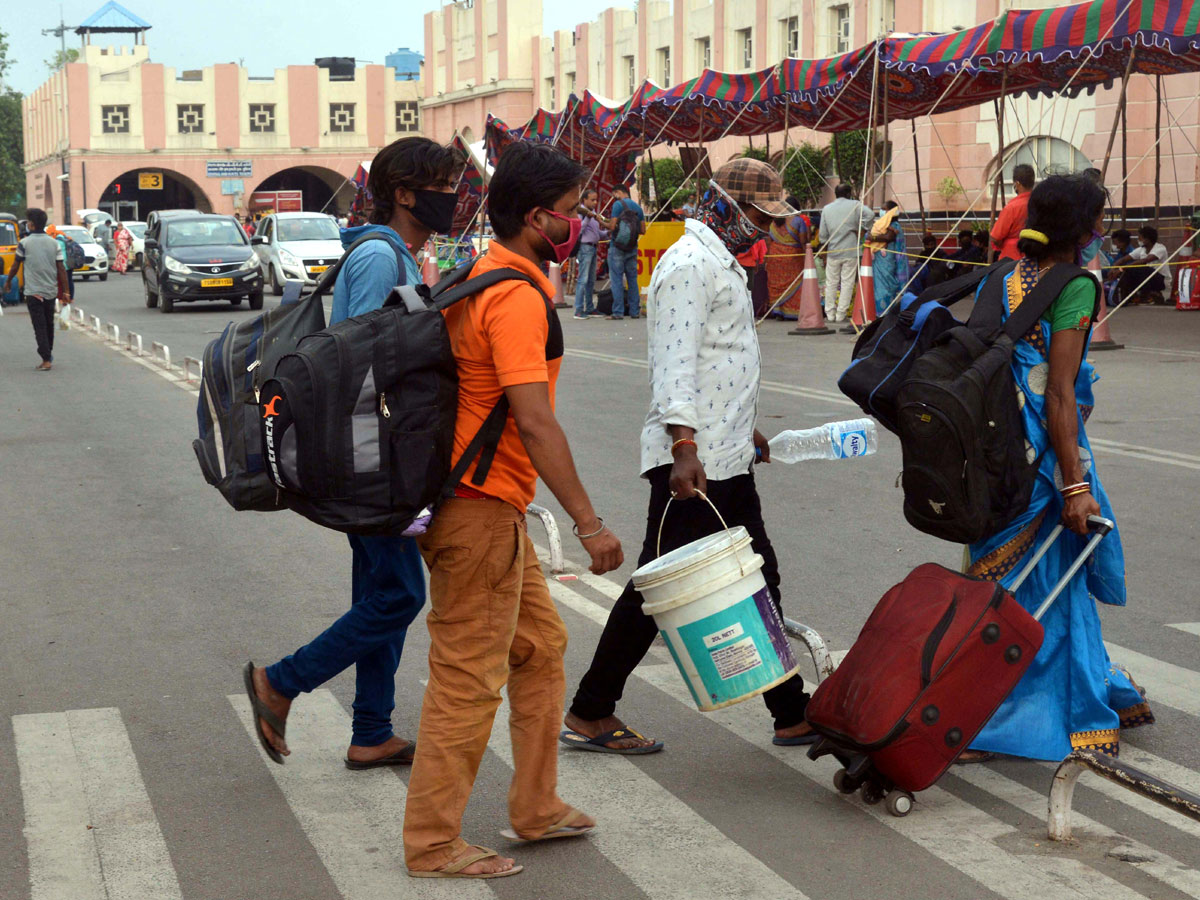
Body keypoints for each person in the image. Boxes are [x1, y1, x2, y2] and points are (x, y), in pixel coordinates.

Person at [403, 141, 622, 880]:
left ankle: (536, 804)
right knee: (467, 677)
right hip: (479, 509)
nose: (579, 223)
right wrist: (590, 524)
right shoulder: (516, 295)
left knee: (543, 648)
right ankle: (433, 842)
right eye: (570, 213)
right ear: (537, 217)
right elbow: (534, 421)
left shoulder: (485, 271)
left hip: (489, 509)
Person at [564, 158, 815, 757]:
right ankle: (591, 711)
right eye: (757, 213)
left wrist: (745, 428)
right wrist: (683, 446)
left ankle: (789, 709)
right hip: (695, 461)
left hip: (723, 454)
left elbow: (719, 361)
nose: (762, 227)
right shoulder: (689, 263)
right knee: (657, 591)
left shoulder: (718, 260)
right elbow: (674, 365)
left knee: (753, 577)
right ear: (726, 204)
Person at [242, 137, 463, 774]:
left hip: (377, 455)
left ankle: (372, 731)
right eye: (443, 188)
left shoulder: (391, 253)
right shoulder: (376, 256)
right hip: (372, 459)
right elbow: (359, 363)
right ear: (404, 193)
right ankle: (281, 682)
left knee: (381, 591)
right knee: (397, 596)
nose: (453, 199)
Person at [961, 174, 1152, 763]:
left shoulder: (1002, 277)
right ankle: (1061, 711)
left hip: (992, 459)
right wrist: (1074, 486)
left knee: (1000, 591)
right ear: (1081, 229)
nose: (1101, 232)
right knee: (1052, 591)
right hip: (1043, 463)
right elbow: (1060, 395)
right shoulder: (1077, 286)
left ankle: (984, 694)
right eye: (1097, 221)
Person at [4, 208, 68, 371]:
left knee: (39, 326)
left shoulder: (24, 243)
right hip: (50, 291)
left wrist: (9, 281)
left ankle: (46, 358)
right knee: (48, 324)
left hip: (33, 292)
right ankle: (48, 354)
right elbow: (61, 268)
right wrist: (66, 291)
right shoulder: (54, 243)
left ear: (31, 225)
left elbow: (15, 265)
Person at [818, 183, 872, 322]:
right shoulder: (855, 205)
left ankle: (829, 313)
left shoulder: (826, 209)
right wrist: (863, 229)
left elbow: (823, 236)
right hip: (851, 251)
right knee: (847, 283)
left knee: (831, 283)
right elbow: (870, 214)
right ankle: (841, 314)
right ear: (849, 193)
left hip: (833, 251)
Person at [604, 183, 645, 319]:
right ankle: (634, 311)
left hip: (617, 247)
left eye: (614, 194)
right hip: (632, 247)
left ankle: (618, 312)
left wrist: (601, 221)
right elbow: (643, 230)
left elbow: (612, 226)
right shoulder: (638, 207)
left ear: (617, 192)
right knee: (632, 279)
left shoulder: (618, 205)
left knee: (616, 279)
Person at [766, 201, 811, 319]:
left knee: (776, 284)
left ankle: (778, 311)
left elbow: (768, 239)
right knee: (795, 282)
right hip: (793, 257)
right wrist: (807, 255)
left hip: (774, 256)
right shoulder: (798, 221)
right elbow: (803, 241)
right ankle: (793, 312)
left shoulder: (773, 221)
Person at [867, 200, 908, 317]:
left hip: (888, 262)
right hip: (879, 260)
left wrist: (872, 237)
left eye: (884, 209)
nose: (881, 211)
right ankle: (879, 313)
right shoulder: (881, 224)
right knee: (879, 287)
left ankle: (886, 314)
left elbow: (887, 237)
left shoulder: (894, 226)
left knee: (886, 287)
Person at [1113, 225, 1168, 305]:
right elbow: (1123, 259)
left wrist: (1122, 269)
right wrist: (1113, 269)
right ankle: (1130, 296)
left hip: (1160, 280)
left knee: (1141, 269)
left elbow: (1145, 260)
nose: (1138, 240)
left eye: (1140, 238)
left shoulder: (1160, 248)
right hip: (1147, 279)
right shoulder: (1141, 249)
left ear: (1147, 239)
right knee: (1129, 272)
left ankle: (1147, 295)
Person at [990, 163, 1035, 260]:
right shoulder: (1040, 203)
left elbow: (995, 237)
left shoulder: (1012, 207)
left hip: (1012, 256)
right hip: (1036, 254)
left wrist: (1005, 245)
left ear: (1017, 183)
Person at [574, 188, 607, 319]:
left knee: (591, 280)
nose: (594, 202)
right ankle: (578, 309)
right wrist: (588, 218)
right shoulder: (580, 213)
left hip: (593, 248)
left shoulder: (592, 213)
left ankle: (589, 308)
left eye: (596, 200)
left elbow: (598, 233)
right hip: (584, 248)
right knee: (583, 279)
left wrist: (609, 231)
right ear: (585, 200)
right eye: (592, 200)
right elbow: (579, 229)